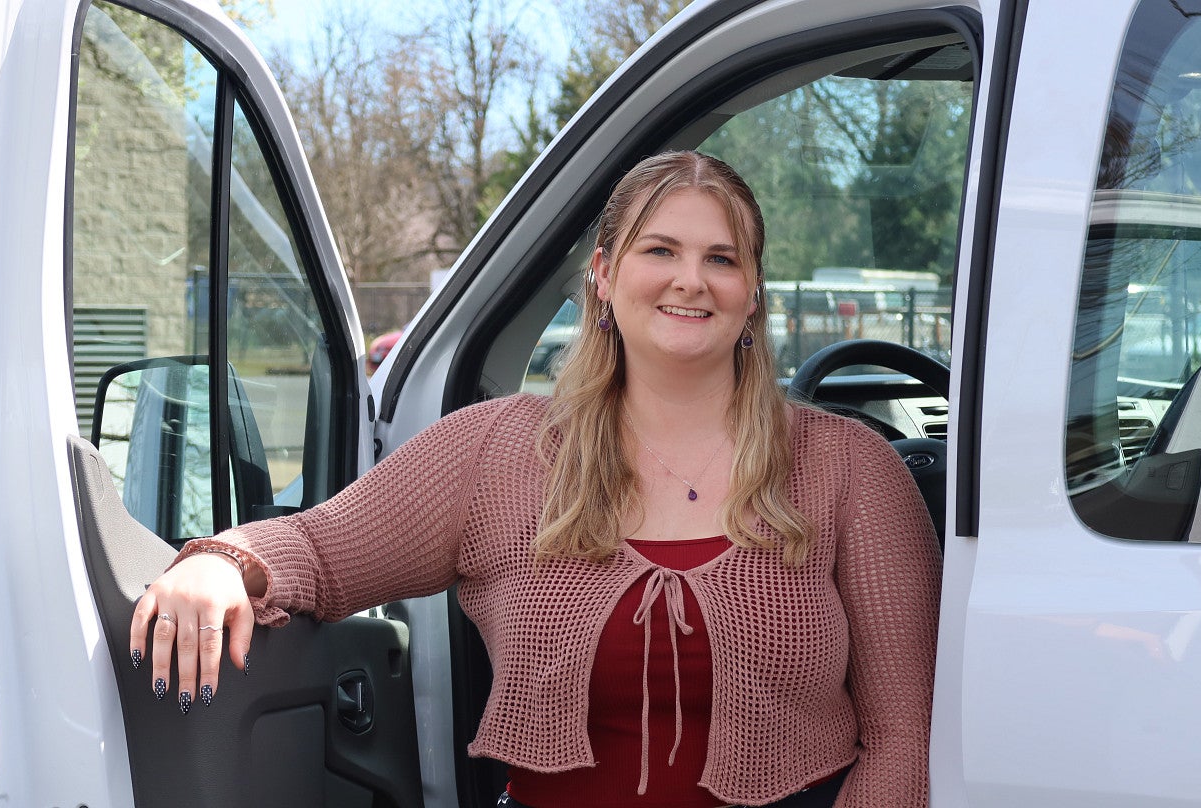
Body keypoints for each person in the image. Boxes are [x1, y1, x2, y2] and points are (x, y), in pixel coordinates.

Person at [130, 150, 942, 808]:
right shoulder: (499, 451)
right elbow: (322, 547)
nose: (691, 280)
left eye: (720, 258)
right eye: (660, 250)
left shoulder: (848, 465)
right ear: (602, 273)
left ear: (752, 290)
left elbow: (905, 740)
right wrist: (221, 561)